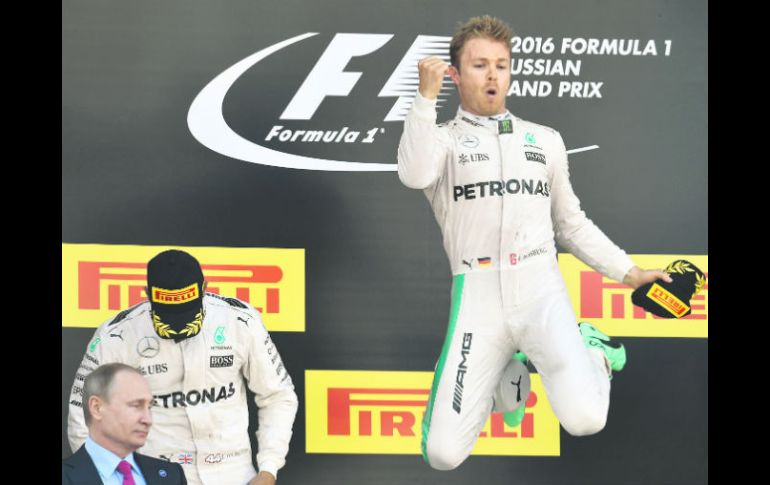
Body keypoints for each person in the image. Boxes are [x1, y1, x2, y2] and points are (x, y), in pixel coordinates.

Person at [397, 15, 672, 470]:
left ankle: (594, 353)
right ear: (456, 74)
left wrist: (633, 273)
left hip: (540, 288)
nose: (492, 76)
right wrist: (425, 99)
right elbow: (414, 174)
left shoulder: (543, 140)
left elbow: (572, 225)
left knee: (586, 419)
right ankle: (508, 382)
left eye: (501, 65)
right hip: (477, 294)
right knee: (442, 455)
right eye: (479, 64)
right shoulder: (442, 142)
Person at [67, 249, 298, 485]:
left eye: (186, 312)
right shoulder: (117, 336)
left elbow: (278, 395)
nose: (178, 327)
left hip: (233, 473)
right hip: (153, 473)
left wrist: (268, 470)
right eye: (168, 314)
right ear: (148, 294)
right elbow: (83, 416)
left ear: (205, 288)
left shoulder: (239, 321)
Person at [62, 363, 187, 484]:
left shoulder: (172, 475)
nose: (148, 420)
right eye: (135, 405)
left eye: (149, 407)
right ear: (97, 408)